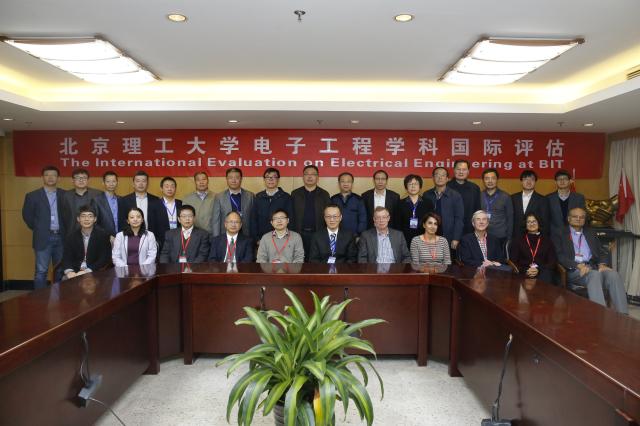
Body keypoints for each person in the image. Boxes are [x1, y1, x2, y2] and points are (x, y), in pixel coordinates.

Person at [552, 207, 628, 314]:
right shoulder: (560, 233)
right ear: (569, 218)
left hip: (593, 267)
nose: (578, 219)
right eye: (575, 216)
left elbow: (602, 251)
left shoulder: (590, 232)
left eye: (582, 217)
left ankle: (623, 314)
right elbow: (559, 256)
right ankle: (600, 315)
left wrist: (602, 264)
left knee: (613, 275)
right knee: (594, 275)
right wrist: (578, 265)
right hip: (574, 270)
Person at [22, 165, 67, 288]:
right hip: (42, 237)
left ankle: (59, 297)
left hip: (61, 237)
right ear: (42, 177)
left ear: (58, 178)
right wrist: (39, 228)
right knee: (41, 271)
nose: (50, 177)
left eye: (53, 175)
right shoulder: (32, 196)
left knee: (60, 270)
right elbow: (27, 216)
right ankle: (39, 298)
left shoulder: (65, 194)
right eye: (47, 175)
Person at [290, 165, 330, 260]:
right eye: (306, 174)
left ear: (318, 177)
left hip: (318, 233)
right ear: (303, 177)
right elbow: (291, 215)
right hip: (299, 233)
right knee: (299, 259)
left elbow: (328, 215)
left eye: (313, 174)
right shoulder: (295, 194)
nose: (309, 176)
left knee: (316, 259)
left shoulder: (324, 194)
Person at [61, 205, 112, 279]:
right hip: (75, 271)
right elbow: (66, 257)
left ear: (95, 219)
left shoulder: (103, 235)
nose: (86, 219)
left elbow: (104, 258)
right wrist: (69, 271)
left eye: (90, 216)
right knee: (65, 280)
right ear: (78, 219)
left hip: (94, 271)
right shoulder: (71, 236)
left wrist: (87, 271)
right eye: (83, 216)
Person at [422, 167, 464, 251]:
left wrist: (456, 238)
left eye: (443, 175)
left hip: (448, 237)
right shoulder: (427, 194)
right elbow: (424, 217)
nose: (440, 177)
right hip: (430, 235)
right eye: (437, 175)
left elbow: (459, 218)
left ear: (447, 179)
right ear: (433, 178)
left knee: (448, 259)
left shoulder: (455, 195)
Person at [509, 213, 556, 283]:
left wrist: (538, 269)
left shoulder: (547, 241)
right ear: (525, 224)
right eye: (528, 222)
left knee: (547, 275)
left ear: (539, 223)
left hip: (542, 272)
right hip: (523, 272)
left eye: (534, 221)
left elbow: (552, 262)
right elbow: (513, 262)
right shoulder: (518, 240)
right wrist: (526, 270)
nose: (531, 224)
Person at [250, 167, 293, 241]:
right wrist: (257, 239)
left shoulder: (286, 197)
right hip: (261, 239)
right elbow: (253, 220)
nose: (270, 179)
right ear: (264, 180)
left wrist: (286, 238)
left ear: (278, 179)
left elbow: (290, 220)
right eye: (267, 177)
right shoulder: (258, 197)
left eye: (274, 177)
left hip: (281, 239)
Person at [211, 167, 255, 238]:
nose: (233, 180)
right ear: (226, 179)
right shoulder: (219, 197)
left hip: (246, 235)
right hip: (226, 235)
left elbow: (253, 219)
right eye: (230, 178)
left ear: (241, 179)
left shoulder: (250, 196)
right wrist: (216, 239)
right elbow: (216, 220)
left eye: (237, 177)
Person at [395, 174, 435, 248]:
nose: (413, 186)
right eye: (410, 184)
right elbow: (397, 224)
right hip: (405, 239)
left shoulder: (427, 203)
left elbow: (431, 222)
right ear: (406, 187)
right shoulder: (400, 203)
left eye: (416, 184)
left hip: (424, 238)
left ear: (420, 187)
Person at [119, 170, 162, 238]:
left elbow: (159, 222)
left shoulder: (156, 200)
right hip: (130, 237)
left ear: (147, 183)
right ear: (133, 184)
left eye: (143, 181)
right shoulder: (125, 200)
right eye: (138, 181)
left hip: (151, 237)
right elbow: (122, 221)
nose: (141, 184)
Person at [61, 168, 101, 237]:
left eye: (84, 178)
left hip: (94, 235)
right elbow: (63, 217)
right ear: (72, 180)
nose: (81, 180)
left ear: (88, 180)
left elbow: (101, 217)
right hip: (72, 234)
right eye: (77, 178)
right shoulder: (65, 196)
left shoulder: (97, 194)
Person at [480, 168, 513, 250]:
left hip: (500, 237)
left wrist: (509, 238)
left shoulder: (505, 196)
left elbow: (510, 218)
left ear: (497, 180)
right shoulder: (479, 196)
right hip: (482, 235)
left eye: (493, 178)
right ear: (483, 180)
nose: (490, 181)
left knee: (499, 258)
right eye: (487, 178)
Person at [512, 170, 550, 239]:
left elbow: (545, 222)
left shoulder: (543, 199)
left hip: (535, 237)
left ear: (535, 182)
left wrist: (541, 238)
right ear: (521, 181)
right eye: (525, 179)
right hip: (515, 236)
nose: (529, 182)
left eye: (532, 179)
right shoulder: (513, 198)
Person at [547, 169, 586, 236]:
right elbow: (546, 219)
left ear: (570, 181)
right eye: (559, 179)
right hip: (554, 235)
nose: (562, 181)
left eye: (565, 179)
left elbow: (583, 217)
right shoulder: (548, 198)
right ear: (555, 182)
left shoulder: (579, 198)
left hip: (574, 234)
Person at [447, 160, 481, 235]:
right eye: (458, 169)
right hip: (450, 228)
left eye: (464, 169)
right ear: (454, 170)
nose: (461, 172)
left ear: (468, 171)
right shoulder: (446, 187)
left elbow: (477, 209)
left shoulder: (474, 188)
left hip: (469, 228)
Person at [153, 176, 183, 248]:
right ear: (161, 188)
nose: (170, 189)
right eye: (166, 186)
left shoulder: (180, 203)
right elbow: (152, 225)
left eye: (172, 186)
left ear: (175, 188)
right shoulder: (155, 204)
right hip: (162, 240)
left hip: (178, 240)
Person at [94, 171, 120, 239]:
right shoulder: (96, 200)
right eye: (108, 181)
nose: (111, 184)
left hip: (121, 237)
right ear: (103, 183)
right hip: (103, 238)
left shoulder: (121, 199)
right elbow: (94, 222)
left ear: (117, 183)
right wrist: (108, 236)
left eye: (113, 181)